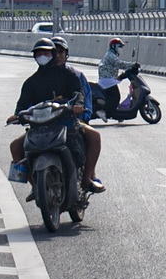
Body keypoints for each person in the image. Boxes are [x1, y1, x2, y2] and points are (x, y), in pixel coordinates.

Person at [7, 37, 102, 195]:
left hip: (68, 123)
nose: (45, 56)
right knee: (15, 147)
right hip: (39, 127)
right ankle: (35, 186)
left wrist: (78, 107)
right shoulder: (31, 81)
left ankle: (87, 178)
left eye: (48, 53)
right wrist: (17, 115)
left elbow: (79, 93)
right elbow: (22, 104)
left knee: (94, 136)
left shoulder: (71, 74)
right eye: (39, 53)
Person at [97, 37, 127, 118]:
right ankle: (103, 112)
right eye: (119, 47)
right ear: (114, 46)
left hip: (108, 79)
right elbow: (120, 64)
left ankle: (117, 114)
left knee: (113, 97)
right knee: (116, 97)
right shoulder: (110, 55)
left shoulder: (112, 54)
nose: (121, 49)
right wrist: (132, 65)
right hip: (107, 80)